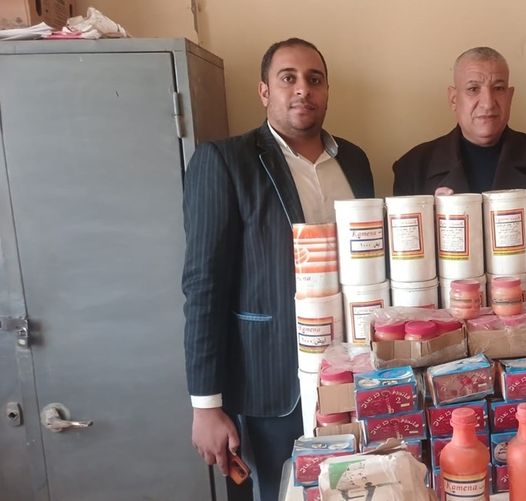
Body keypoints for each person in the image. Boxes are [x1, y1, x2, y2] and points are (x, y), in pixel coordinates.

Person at [182, 38, 374, 500]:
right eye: (288, 78)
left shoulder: (354, 160)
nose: (303, 89)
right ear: (265, 91)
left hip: (355, 373)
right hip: (272, 382)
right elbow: (203, 285)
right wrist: (206, 405)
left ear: (326, 91)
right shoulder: (225, 161)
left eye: (314, 79)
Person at [392, 46, 526, 195]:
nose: (488, 103)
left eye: (498, 88)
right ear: (454, 99)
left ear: (510, 97)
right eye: (473, 89)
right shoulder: (413, 168)